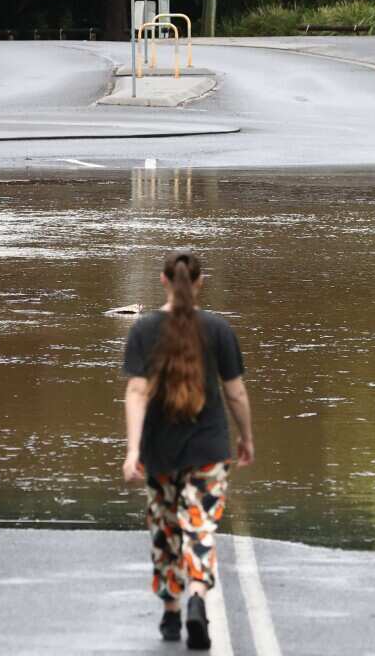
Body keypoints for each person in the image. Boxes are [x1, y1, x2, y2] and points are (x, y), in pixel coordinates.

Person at [121, 250, 255, 650]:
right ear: (199, 283)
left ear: (164, 281)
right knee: (199, 525)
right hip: (209, 447)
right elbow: (235, 393)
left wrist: (132, 450)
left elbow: (136, 392)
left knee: (165, 528)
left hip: (159, 450)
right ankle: (198, 594)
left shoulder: (144, 330)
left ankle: (171, 611)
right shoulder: (218, 330)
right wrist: (246, 437)